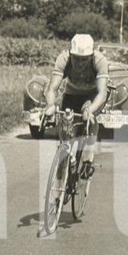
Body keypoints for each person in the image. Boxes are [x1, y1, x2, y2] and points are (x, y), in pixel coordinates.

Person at [42, 34, 109, 179]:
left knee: (89, 118)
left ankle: (87, 160)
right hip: (71, 94)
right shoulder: (63, 59)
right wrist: (50, 105)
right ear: (70, 55)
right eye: (76, 59)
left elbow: (102, 93)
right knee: (66, 127)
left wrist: (90, 110)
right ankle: (66, 160)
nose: (79, 63)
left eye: (84, 60)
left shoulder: (100, 61)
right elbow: (52, 88)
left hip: (92, 96)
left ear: (91, 56)